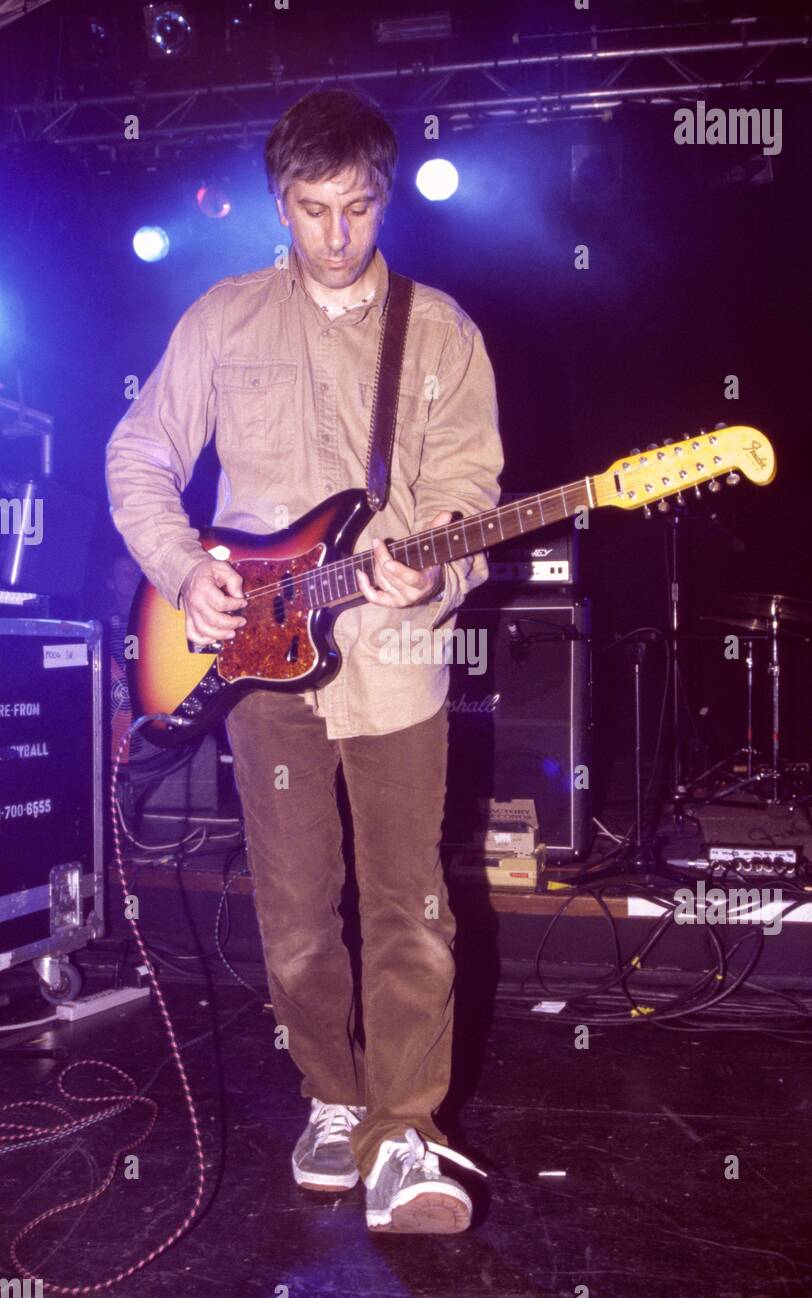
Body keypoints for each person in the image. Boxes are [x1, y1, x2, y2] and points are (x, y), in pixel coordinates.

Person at [105, 89, 504, 1235]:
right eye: (311, 210)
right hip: (257, 670)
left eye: (356, 209)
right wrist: (185, 569)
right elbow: (140, 449)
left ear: (383, 198)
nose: (334, 236)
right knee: (291, 917)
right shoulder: (224, 319)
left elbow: (467, 499)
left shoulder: (440, 334)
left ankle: (406, 1129)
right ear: (277, 200)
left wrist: (434, 570)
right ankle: (333, 1096)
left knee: (410, 907)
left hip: (392, 663)